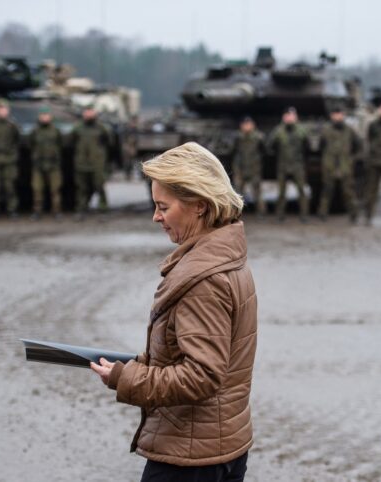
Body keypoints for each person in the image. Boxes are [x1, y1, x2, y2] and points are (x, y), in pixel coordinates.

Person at [90, 142, 256, 482]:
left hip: (190, 459)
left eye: (163, 206)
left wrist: (126, 378)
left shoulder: (201, 278)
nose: (156, 216)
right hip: (221, 446)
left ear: (198, 205)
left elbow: (202, 375)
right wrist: (144, 362)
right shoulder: (227, 256)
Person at [318, 107, 361, 222]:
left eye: (340, 114)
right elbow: (321, 145)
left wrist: (352, 159)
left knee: (348, 191)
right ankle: (323, 214)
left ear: (343, 115)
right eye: (335, 114)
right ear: (332, 116)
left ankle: (353, 214)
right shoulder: (326, 130)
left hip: (345, 165)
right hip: (329, 165)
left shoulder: (349, 130)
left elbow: (358, 145)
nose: (338, 117)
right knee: (327, 190)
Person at [268, 107, 308, 222]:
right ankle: (280, 215)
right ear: (283, 117)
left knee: (301, 190)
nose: (289, 118)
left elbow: (307, 146)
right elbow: (270, 146)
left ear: (296, 117)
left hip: (297, 165)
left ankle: (304, 215)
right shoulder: (278, 131)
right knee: (281, 192)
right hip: (283, 165)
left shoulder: (302, 131)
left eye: (292, 115)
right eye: (287, 115)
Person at [72, 106, 112, 219]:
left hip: (97, 163)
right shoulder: (77, 128)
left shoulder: (101, 128)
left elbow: (109, 142)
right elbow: (71, 142)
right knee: (81, 187)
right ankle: (81, 208)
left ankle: (103, 208)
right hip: (81, 162)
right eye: (87, 112)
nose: (89, 114)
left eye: (91, 111)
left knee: (99, 186)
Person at [29, 105, 63, 220]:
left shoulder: (55, 131)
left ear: (50, 116)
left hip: (53, 164)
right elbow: (30, 144)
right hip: (39, 165)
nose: (45, 117)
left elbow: (60, 144)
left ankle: (56, 211)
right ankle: (37, 212)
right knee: (37, 190)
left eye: (46, 115)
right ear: (39, 117)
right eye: (42, 115)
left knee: (55, 189)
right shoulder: (35, 131)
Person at [231, 116, 266, 216]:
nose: (247, 127)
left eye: (249, 124)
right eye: (245, 125)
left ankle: (261, 212)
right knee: (238, 191)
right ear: (241, 126)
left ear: (253, 125)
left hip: (254, 167)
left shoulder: (258, 137)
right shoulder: (238, 137)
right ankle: (236, 213)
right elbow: (232, 150)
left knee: (257, 191)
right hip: (240, 167)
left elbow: (264, 150)